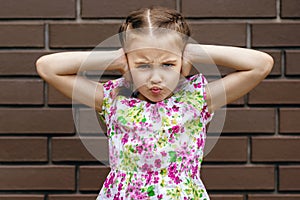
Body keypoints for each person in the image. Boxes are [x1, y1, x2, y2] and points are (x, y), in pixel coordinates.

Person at [36, 6, 274, 200]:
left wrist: (192, 52)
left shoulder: (197, 98)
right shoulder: (112, 99)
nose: (156, 78)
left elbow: (261, 64)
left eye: (168, 64)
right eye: (143, 65)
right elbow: (48, 67)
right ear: (127, 64)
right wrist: (115, 58)